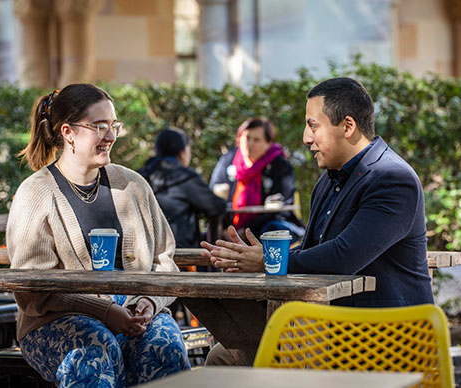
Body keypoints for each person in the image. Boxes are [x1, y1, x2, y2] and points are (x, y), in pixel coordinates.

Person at [201, 77, 434, 365]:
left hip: (384, 336)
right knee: (223, 356)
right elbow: (314, 249)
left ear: (347, 127)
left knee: (236, 360)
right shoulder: (328, 181)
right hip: (330, 327)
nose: (305, 138)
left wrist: (267, 262)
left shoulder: (393, 180)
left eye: (313, 126)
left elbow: (342, 257)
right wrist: (249, 259)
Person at [6, 84, 190, 387]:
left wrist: (149, 301)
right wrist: (104, 310)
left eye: (114, 125)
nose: (111, 136)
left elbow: (165, 261)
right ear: (68, 132)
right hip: (56, 320)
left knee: (164, 346)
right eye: (99, 126)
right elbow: (31, 292)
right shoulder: (36, 194)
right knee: (95, 346)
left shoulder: (132, 185)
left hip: (136, 312)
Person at [209, 117, 304, 241]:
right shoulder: (228, 160)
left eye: (256, 140)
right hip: (228, 227)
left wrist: (247, 232)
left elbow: (282, 206)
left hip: (266, 226)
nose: (250, 144)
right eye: (247, 138)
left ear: (268, 144)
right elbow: (213, 194)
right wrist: (226, 229)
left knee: (274, 232)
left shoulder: (280, 166)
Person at [139, 127, 226, 248]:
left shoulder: (141, 174)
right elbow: (215, 206)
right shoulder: (185, 177)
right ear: (183, 151)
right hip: (179, 253)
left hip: (144, 249)